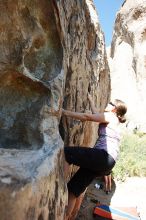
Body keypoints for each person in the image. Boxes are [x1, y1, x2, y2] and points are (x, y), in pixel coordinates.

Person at [62, 93, 127, 220]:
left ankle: (59, 182)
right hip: (107, 163)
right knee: (74, 189)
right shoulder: (114, 120)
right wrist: (91, 100)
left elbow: (87, 116)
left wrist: (64, 112)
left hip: (104, 156)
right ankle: (67, 217)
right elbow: (95, 113)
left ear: (114, 109)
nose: (107, 104)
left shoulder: (110, 116)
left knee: (66, 152)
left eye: (110, 103)